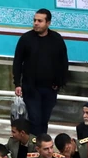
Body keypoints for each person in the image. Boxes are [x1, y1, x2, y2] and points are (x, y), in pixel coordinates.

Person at [11, 8, 68, 136]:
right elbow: (18, 62)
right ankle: (35, 144)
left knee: (44, 120)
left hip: (50, 89)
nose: (36, 23)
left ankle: (41, 144)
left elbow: (63, 62)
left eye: (40, 21)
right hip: (31, 88)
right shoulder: (26, 39)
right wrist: (17, 84)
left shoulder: (56, 39)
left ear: (48, 23)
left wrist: (59, 83)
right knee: (35, 119)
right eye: (35, 20)